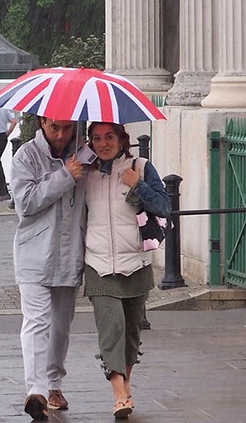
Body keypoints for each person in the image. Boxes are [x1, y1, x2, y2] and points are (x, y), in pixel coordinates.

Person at [83, 122, 170, 419]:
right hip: (98, 264)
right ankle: (119, 392)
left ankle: (125, 383)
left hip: (135, 263)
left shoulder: (140, 167)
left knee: (132, 333)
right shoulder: (85, 173)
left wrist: (138, 185)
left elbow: (163, 206)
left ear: (122, 140)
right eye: (96, 138)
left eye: (109, 137)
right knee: (112, 328)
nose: (103, 143)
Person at [10, 116, 88, 421]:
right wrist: (65, 176)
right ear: (43, 122)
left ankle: (54, 384)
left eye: (67, 127)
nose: (61, 134)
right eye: (55, 127)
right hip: (34, 253)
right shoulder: (26, 156)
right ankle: (36, 391)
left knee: (60, 325)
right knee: (36, 322)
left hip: (70, 253)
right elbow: (25, 203)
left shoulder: (84, 154)